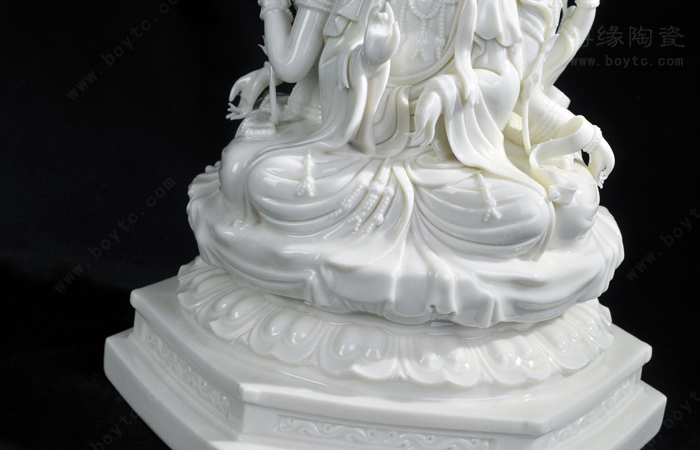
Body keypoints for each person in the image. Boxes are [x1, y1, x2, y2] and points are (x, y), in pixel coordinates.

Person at [186, 0, 623, 327]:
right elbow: (320, 71)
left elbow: (509, 82)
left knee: (533, 214)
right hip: (357, 155)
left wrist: (450, 92)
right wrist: (368, 62)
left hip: (449, 166)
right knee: (258, 178)